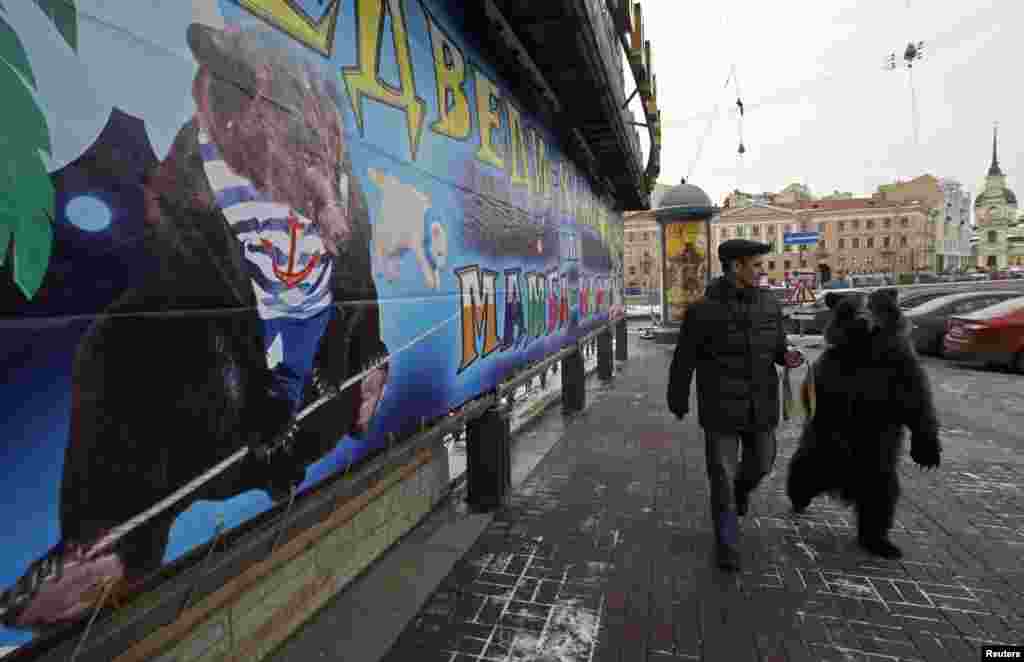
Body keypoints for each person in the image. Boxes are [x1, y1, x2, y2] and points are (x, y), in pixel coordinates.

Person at [666, 238, 804, 570]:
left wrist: (786, 356)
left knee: (762, 463)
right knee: (722, 479)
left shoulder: (769, 305)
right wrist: (678, 397)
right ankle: (726, 543)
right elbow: (685, 360)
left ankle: (743, 491)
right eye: (756, 265)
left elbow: (776, 346)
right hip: (720, 409)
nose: (762, 271)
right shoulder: (702, 311)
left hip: (761, 405)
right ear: (735, 266)